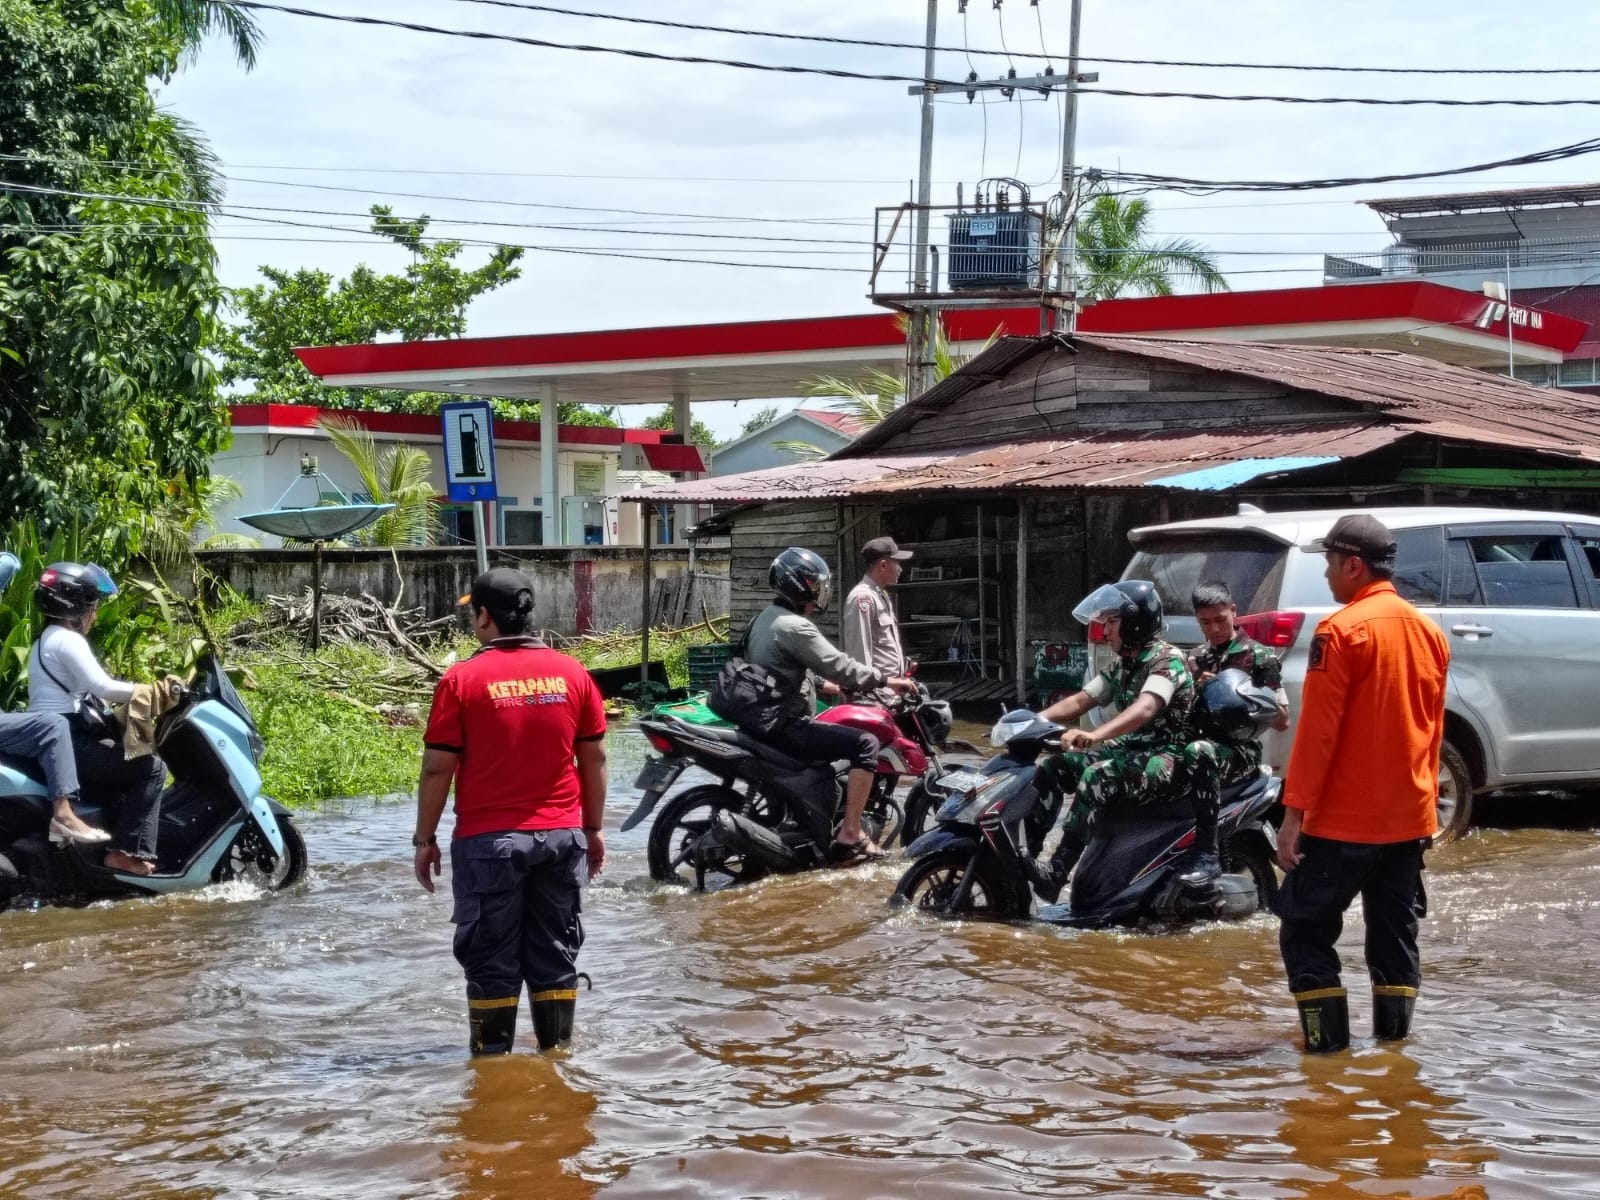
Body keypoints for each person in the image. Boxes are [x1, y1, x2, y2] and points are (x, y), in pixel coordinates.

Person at [413, 567, 608, 1056]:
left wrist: (424, 840)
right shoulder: (573, 673)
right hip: (564, 839)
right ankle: (557, 1067)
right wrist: (594, 830)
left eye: (472, 612)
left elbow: (438, 770)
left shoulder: (462, 679)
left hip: (489, 845)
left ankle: (493, 1076)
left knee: (490, 961)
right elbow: (595, 758)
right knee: (555, 955)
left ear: (483, 616)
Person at [1274, 515, 1449, 1054]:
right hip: (1408, 822)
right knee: (1394, 935)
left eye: (1329, 564)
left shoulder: (1342, 631)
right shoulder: (1430, 633)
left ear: (1354, 565)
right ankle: (1394, 1052)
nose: (1327, 575)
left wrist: (1293, 815)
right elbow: (1432, 732)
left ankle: (1327, 1056)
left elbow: (1317, 736)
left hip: (1345, 823)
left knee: (1303, 928)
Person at [1022, 580, 1197, 904]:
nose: (1105, 632)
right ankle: (1025, 858)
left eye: (1112, 622)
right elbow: (1081, 701)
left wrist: (1095, 735)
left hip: (1167, 757)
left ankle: (1055, 874)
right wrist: (1029, 723)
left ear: (1134, 621)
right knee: (1054, 767)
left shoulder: (1166, 660)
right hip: (1133, 751)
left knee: (1095, 776)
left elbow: (1145, 708)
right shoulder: (1124, 664)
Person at [746, 547, 916, 862]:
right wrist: (884, 680)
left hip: (765, 720)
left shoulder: (765, 619)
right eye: (811, 583)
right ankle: (851, 830)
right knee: (865, 744)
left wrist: (825, 686)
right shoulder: (796, 627)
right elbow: (838, 663)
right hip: (788, 726)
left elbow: (785, 668)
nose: (817, 591)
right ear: (797, 585)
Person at [28, 563, 165, 875]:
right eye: (92, 606)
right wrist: (152, 690)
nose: (95, 615)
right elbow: (102, 686)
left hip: (56, 737)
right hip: (67, 738)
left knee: (121, 765)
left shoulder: (45, 640)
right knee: (151, 768)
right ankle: (124, 853)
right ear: (74, 606)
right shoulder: (67, 639)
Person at [1178, 580, 1292, 884]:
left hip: (1239, 753)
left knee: (1198, 751)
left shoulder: (1258, 656)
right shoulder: (1194, 659)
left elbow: (1282, 720)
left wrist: (1237, 695)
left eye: (1220, 620)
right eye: (1205, 622)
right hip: (1196, 744)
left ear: (1233, 611)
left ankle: (1207, 853)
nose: (1213, 628)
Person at [0, 553, 108, 846]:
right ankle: (63, 814)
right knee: (51, 725)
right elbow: (9, 563)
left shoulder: (47, 638)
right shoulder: (62, 638)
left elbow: (10, 563)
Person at [841, 537, 912, 695]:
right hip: (877, 695)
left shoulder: (880, 595)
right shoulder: (862, 598)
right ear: (883, 565)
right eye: (897, 562)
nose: (900, 569)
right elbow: (860, 654)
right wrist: (867, 697)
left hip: (891, 691)